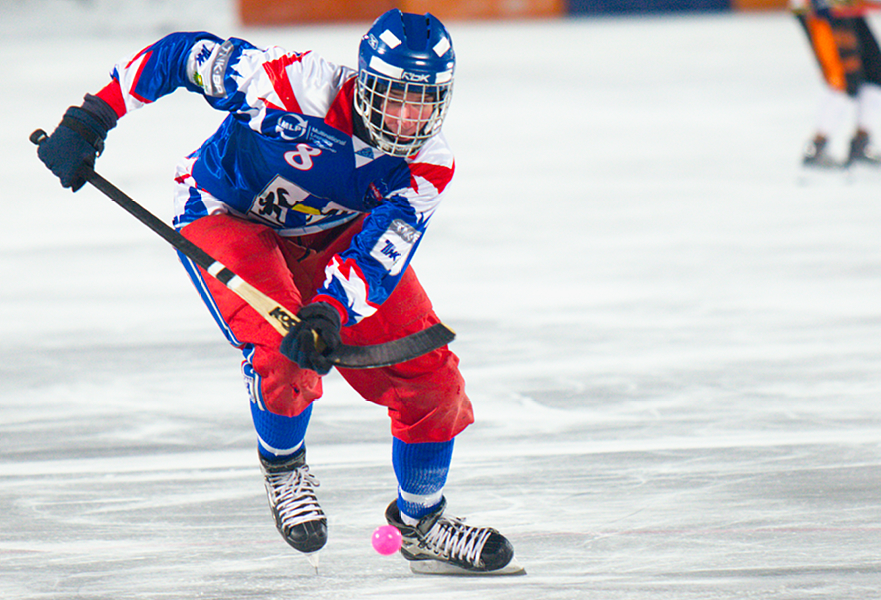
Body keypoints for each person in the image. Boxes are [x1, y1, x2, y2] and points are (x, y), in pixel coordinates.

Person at [35, 9, 521, 575]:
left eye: (425, 100)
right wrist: (92, 119)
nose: (410, 118)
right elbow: (178, 55)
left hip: (331, 237)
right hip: (225, 216)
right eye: (395, 96)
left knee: (433, 379)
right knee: (282, 352)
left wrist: (331, 310)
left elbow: (383, 250)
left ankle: (420, 522)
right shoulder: (292, 82)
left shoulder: (430, 164)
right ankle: (285, 467)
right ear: (365, 83)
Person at [791, 0, 881, 168]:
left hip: (845, 7)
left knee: (878, 73)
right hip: (822, 10)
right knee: (842, 80)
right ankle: (817, 147)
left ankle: (861, 144)